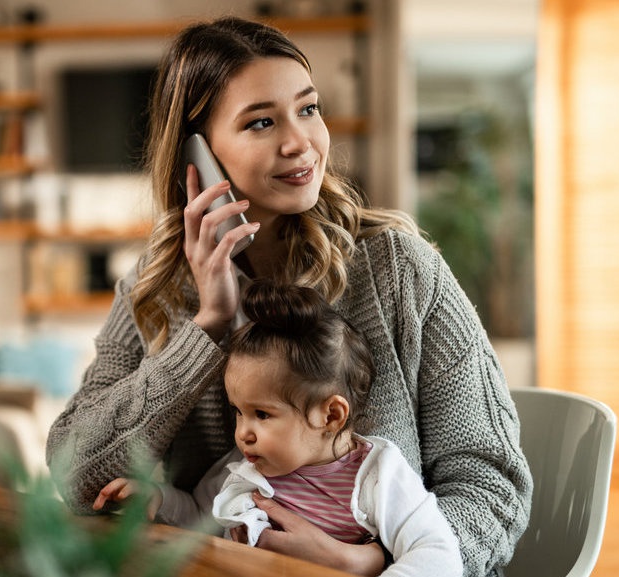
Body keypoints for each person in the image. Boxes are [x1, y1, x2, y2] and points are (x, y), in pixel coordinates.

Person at [46, 15, 531, 577]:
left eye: (308, 108)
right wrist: (208, 327)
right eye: (260, 123)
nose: (300, 142)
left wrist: (372, 562)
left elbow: (492, 483)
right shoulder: (154, 290)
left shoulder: (398, 268)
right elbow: (77, 481)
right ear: (196, 156)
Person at [92, 280, 463, 577]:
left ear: (331, 415)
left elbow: (436, 552)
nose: (243, 432)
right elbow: (199, 516)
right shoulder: (247, 465)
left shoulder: (378, 475)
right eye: (238, 411)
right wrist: (158, 499)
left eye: (262, 415)